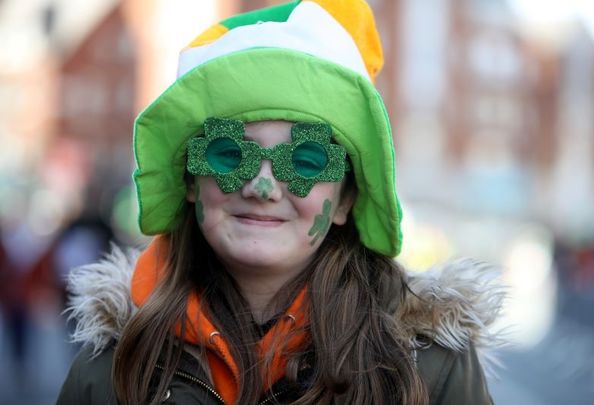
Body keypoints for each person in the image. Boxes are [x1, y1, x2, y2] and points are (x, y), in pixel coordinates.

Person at [57, 0, 504, 404]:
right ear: (191, 181)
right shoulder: (112, 370)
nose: (262, 187)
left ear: (346, 199)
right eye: (229, 153)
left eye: (306, 160)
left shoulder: (430, 368)